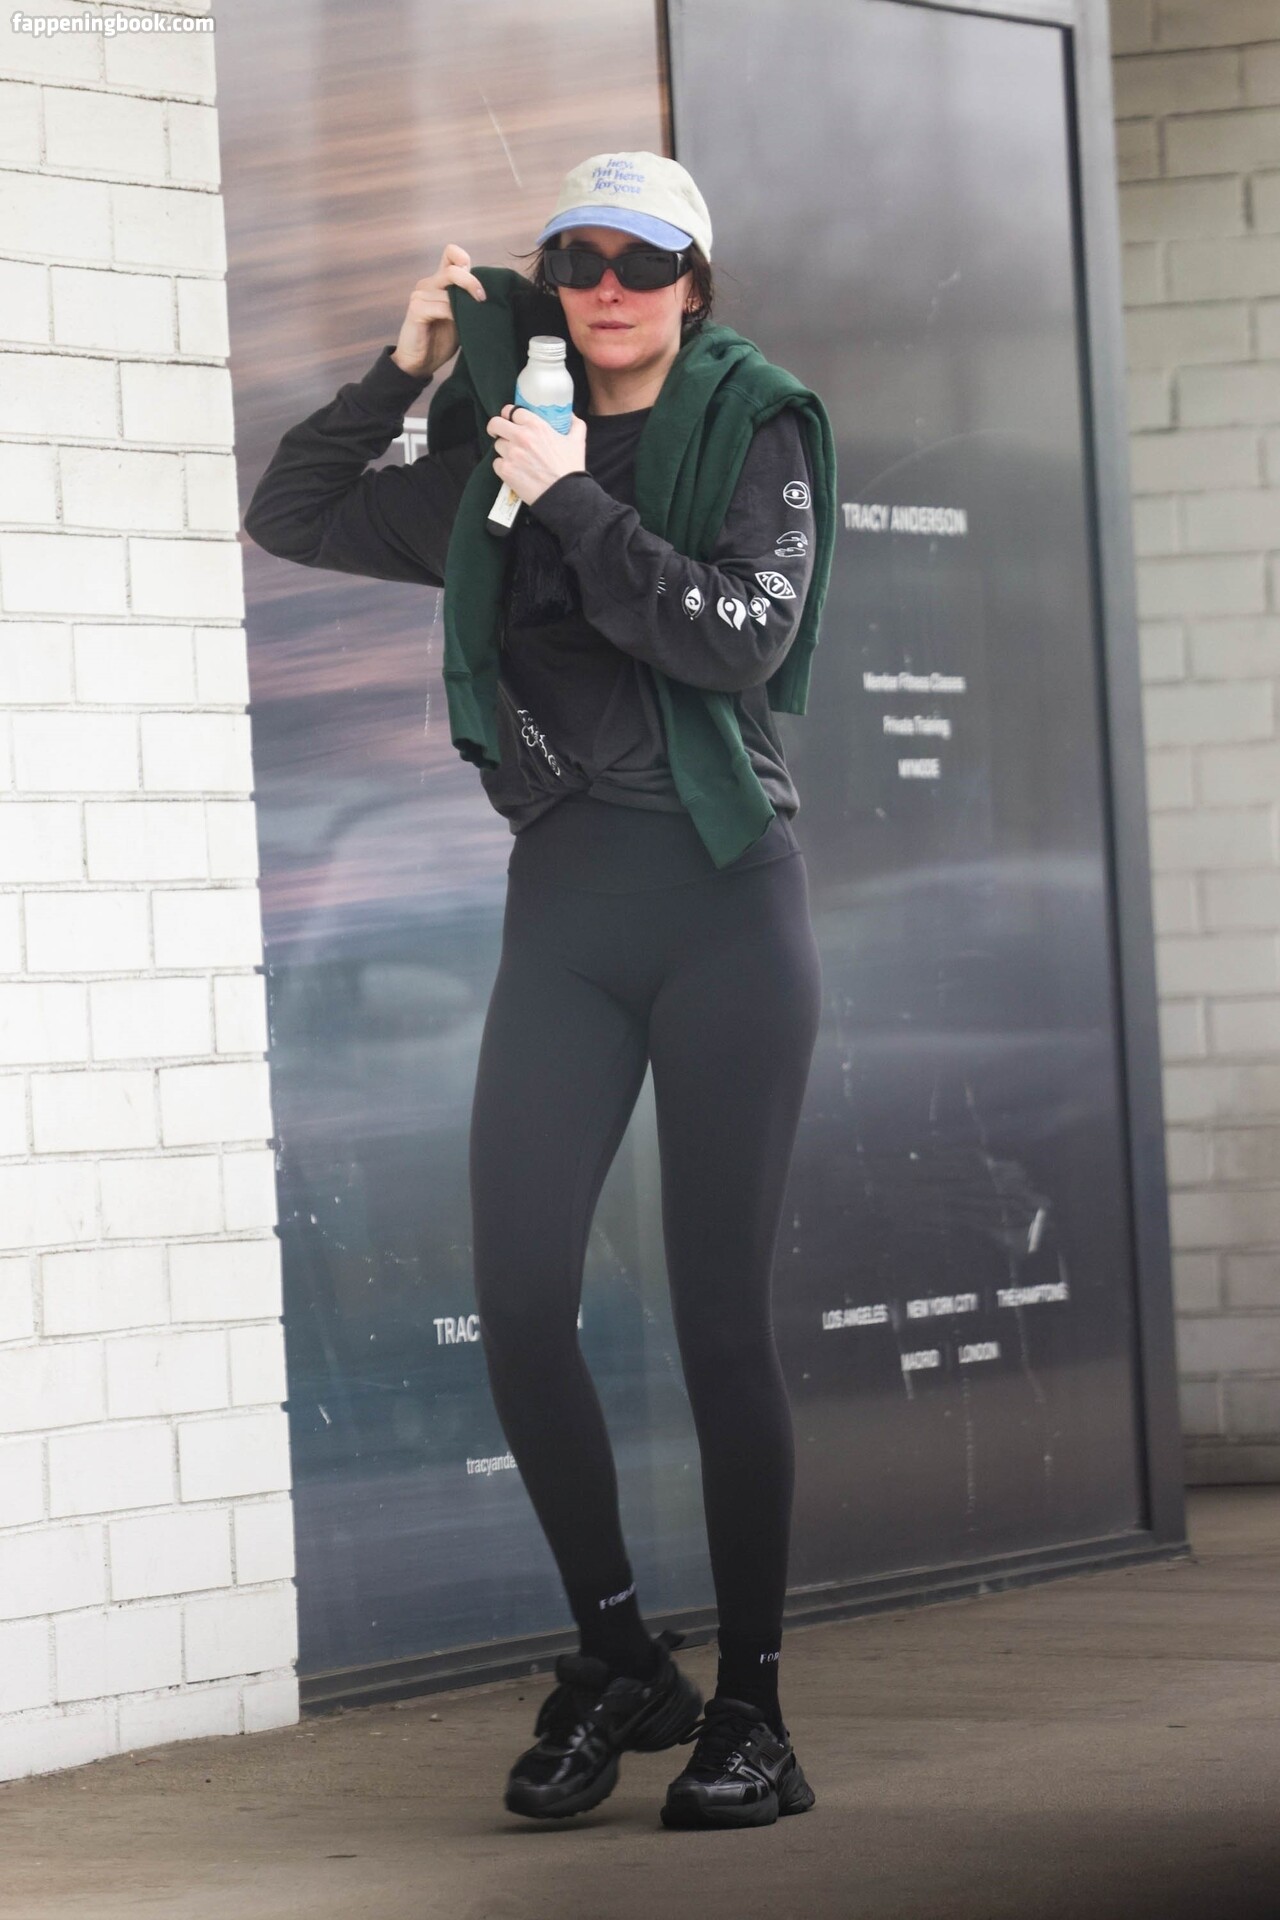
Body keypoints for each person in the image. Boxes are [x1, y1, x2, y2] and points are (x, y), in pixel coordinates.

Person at [244, 150, 834, 1832]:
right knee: (517, 1303)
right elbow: (294, 510)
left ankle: (756, 1713)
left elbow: (735, 638)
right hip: (566, 910)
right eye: (580, 259)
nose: (611, 286)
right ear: (554, 282)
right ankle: (622, 1658)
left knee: (719, 1326)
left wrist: (575, 496)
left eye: (646, 261)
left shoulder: (755, 433)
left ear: (694, 285)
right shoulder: (494, 455)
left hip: (726, 907)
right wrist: (406, 364)